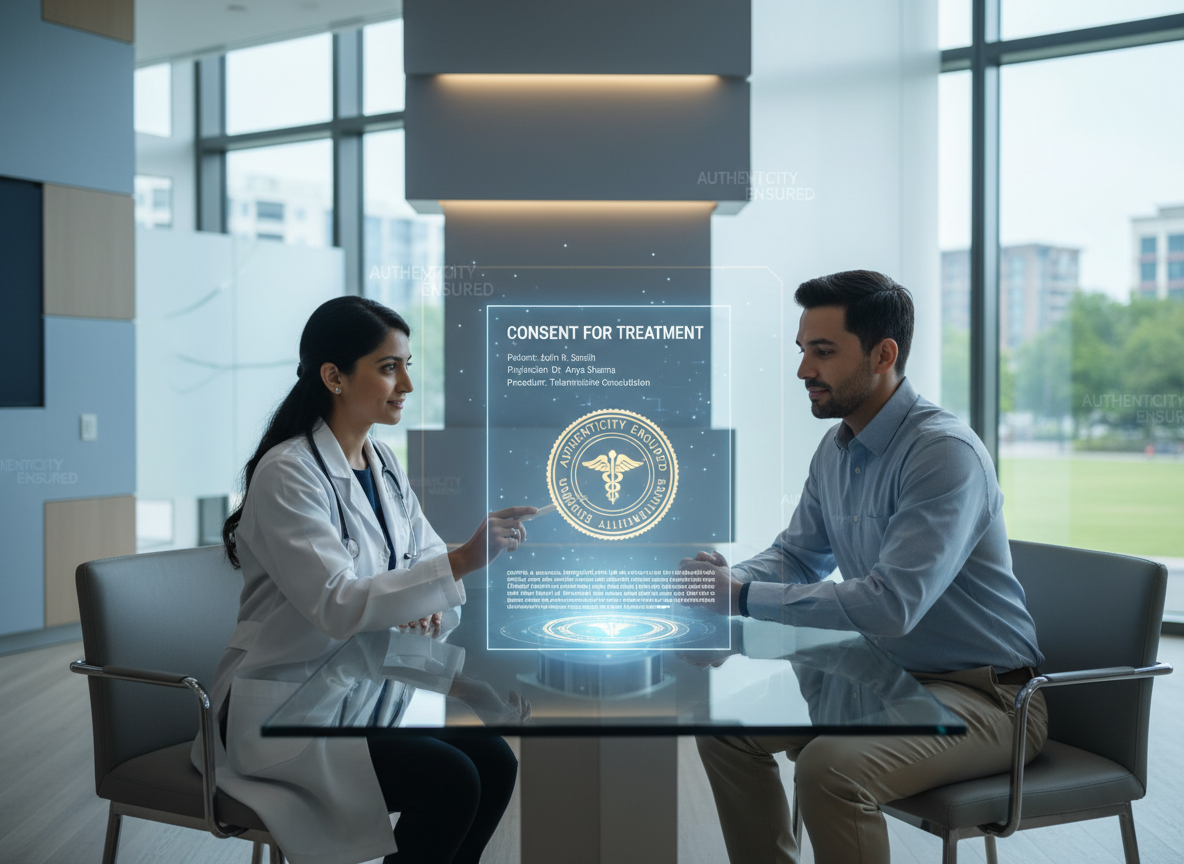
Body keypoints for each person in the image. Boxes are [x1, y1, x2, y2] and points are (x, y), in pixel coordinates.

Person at [682, 270, 1048, 864]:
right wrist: (731, 581)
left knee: (830, 769)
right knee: (722, 726)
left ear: (884, 354)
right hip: (880, 680)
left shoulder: (942, 454)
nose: (804, 371)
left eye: (823, 352)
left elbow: (890, 605)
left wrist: (740, 598)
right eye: (803, 351)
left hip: (988, 700)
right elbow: (799, 555)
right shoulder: (836, 447)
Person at [196, 296, 535, 864]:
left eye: (407, 365)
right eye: (387, 367)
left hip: (356, 701)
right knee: (449, 779)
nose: (405, 382)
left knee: (494, 761)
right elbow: (340, 606)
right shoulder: (288, 473)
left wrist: (467, 684)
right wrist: (455, 566)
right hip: (285, 711)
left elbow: (419, 580)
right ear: (333, 376)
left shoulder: (384, 465)